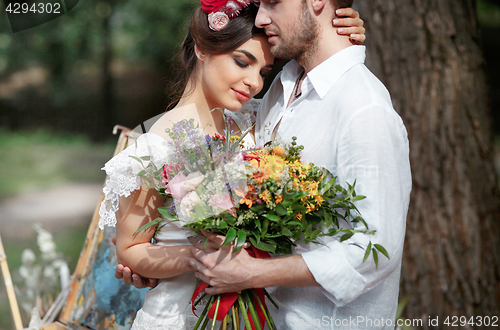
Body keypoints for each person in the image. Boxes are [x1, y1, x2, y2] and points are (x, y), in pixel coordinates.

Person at [100, 1, 366, 329]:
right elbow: (130, 251)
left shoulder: (258, 120)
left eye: (264, 72)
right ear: (201, 48)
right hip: (178, 317)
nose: (254, 82)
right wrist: (199, 258)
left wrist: (339, 34)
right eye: (242, 62)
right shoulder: (152, 150)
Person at [182, 0, 412, 329]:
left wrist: (252, 272)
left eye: (273, 3)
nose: (261, 18)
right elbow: (220, 132)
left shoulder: (364, 109)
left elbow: (375, 250)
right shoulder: (282, 86)